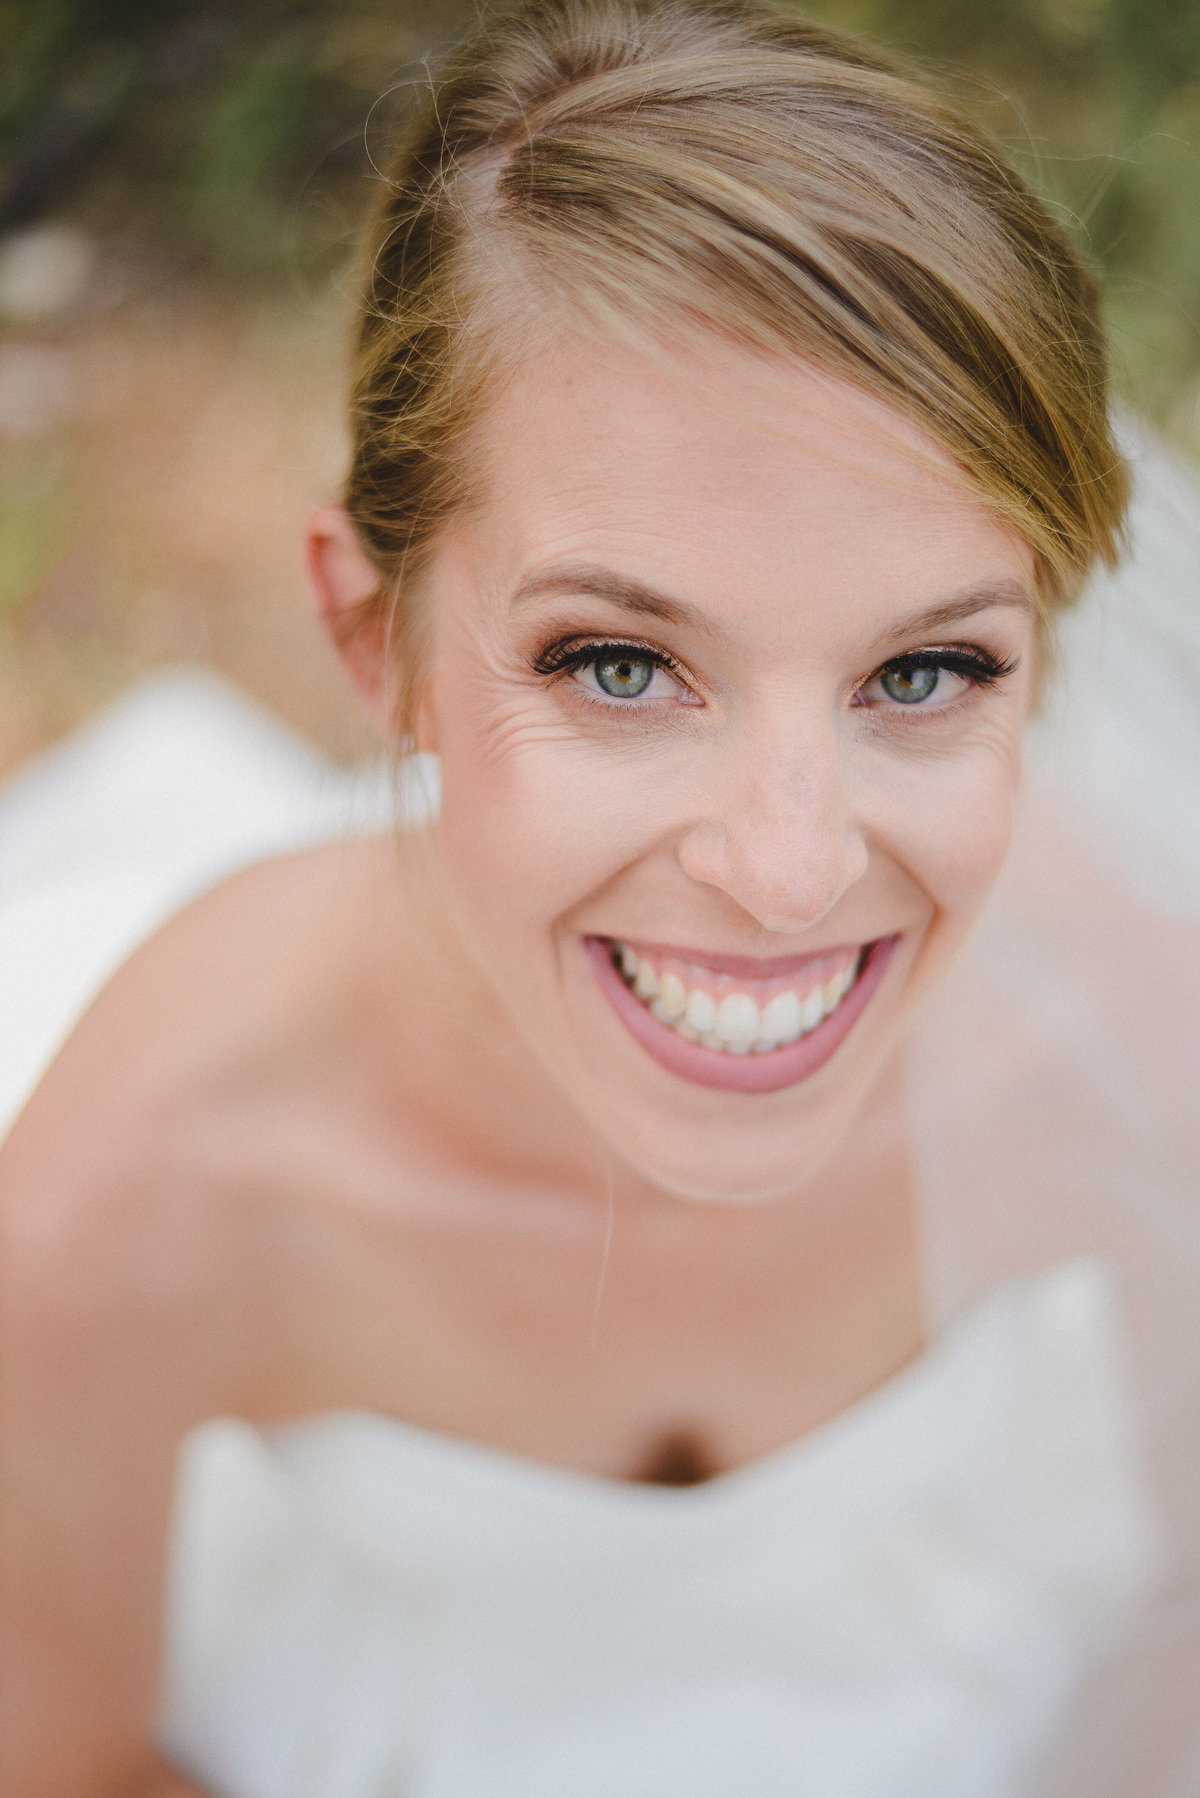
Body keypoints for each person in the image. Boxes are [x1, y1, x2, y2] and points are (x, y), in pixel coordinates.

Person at [2, 0, 1199, 1792]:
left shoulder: (1125, 1038)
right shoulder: (143, 1204)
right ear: (373, 635)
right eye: (624, 665)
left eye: (926, 671)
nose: (791, 871)